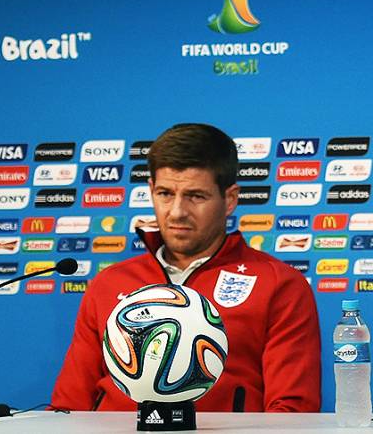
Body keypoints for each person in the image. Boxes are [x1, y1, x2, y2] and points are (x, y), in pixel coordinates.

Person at [52, 123, 322, 412]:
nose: (178, 211)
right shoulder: (110, 283)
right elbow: (68, 407)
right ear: (151, 190)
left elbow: (293, 414)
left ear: (229, 199)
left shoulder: (278, 284)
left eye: (196, 196)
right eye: (166, 194)